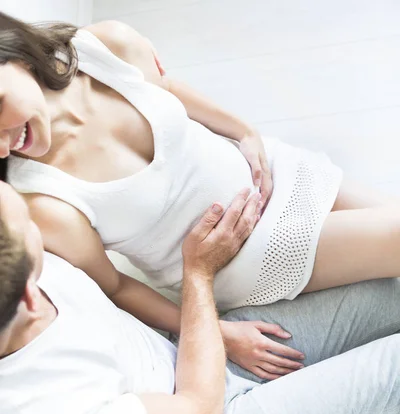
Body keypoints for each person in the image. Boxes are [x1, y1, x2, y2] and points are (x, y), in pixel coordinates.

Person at [1, 13, 400, 382]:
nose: (4, 143)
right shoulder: (45, 200)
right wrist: (217, 330)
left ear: (15, 54)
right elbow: (117, 286)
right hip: (250, 254)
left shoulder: (104, 47)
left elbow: (168, 91)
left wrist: (242, 130)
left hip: (278, 173)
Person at [0, 180, 399, 414]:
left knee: (390, 290)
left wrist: (218, 330)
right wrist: (199, 272)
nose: (33, 216)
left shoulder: (13, 274)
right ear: (32, 298)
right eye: (28, 226)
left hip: (189, 350)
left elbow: (115, 288)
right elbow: (199, 413)